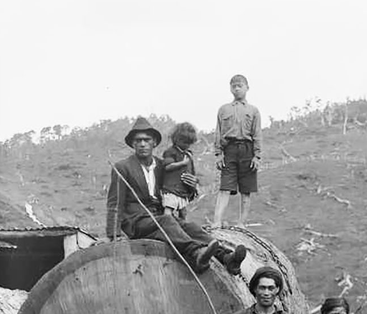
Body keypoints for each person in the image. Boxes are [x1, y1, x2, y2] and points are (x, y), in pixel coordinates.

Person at [106, 117, 249, 275]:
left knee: (189, 227)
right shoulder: (123, 167)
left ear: (154, 142)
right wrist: (114, 235)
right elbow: (115, 203)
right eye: (138, 140)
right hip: (137, 221)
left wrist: (191, 185)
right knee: (168, 220)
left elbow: (178, 188)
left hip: (160, 219)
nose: (142, 144)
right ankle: (196, 253)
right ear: (133, 143)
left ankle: (227, 257)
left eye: (146, 140)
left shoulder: (163, 165)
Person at [213, 74, 263, 229]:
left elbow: (257, 134)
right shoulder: (223, 109)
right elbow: (218, 132)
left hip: (247, 150)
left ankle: (242, 223)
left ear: (247, 88)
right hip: (229, 149)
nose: (236, 88)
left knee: (246, 190)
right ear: (230, 88)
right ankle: (217, 221)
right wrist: (218, 154)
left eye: (240, 85)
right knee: (225, 187)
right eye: (233, 85)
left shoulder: (253, 111)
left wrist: (257, 156)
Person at [159, 122, 199, 220]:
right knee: (169, 208)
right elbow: (167, 166)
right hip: (171, 188)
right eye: (184, 142)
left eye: (189, 143)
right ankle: (166, 225)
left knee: (183, 211)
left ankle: (183, 227)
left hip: (183, 189)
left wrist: (194, 182)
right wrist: (182, 163)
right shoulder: (171, 151)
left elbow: (192, 171)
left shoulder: (188, 154)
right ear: (176, 139)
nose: (187, 145)